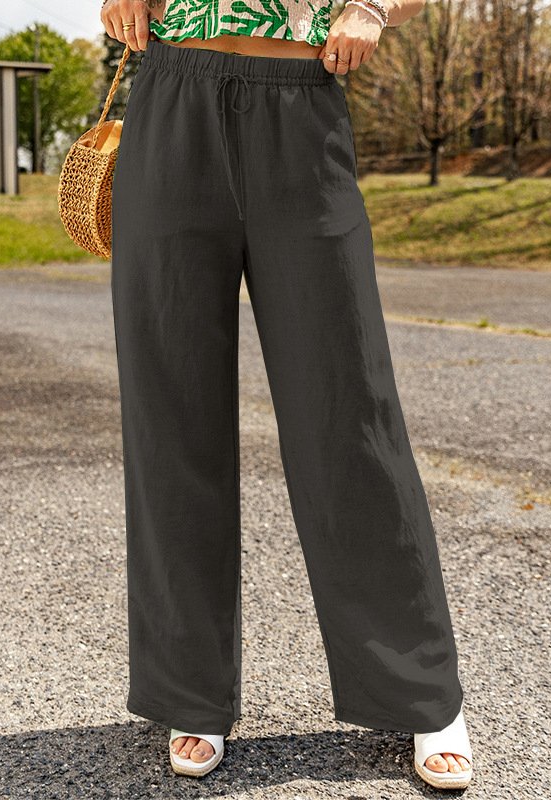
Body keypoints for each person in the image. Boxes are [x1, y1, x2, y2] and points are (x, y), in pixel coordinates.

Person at [101, 0, 474, 790]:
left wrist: (373, 8)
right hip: (173, 101)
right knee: (172, 412)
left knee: (349, 410)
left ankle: (420, 688)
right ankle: (191, 690)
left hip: (303, 107)